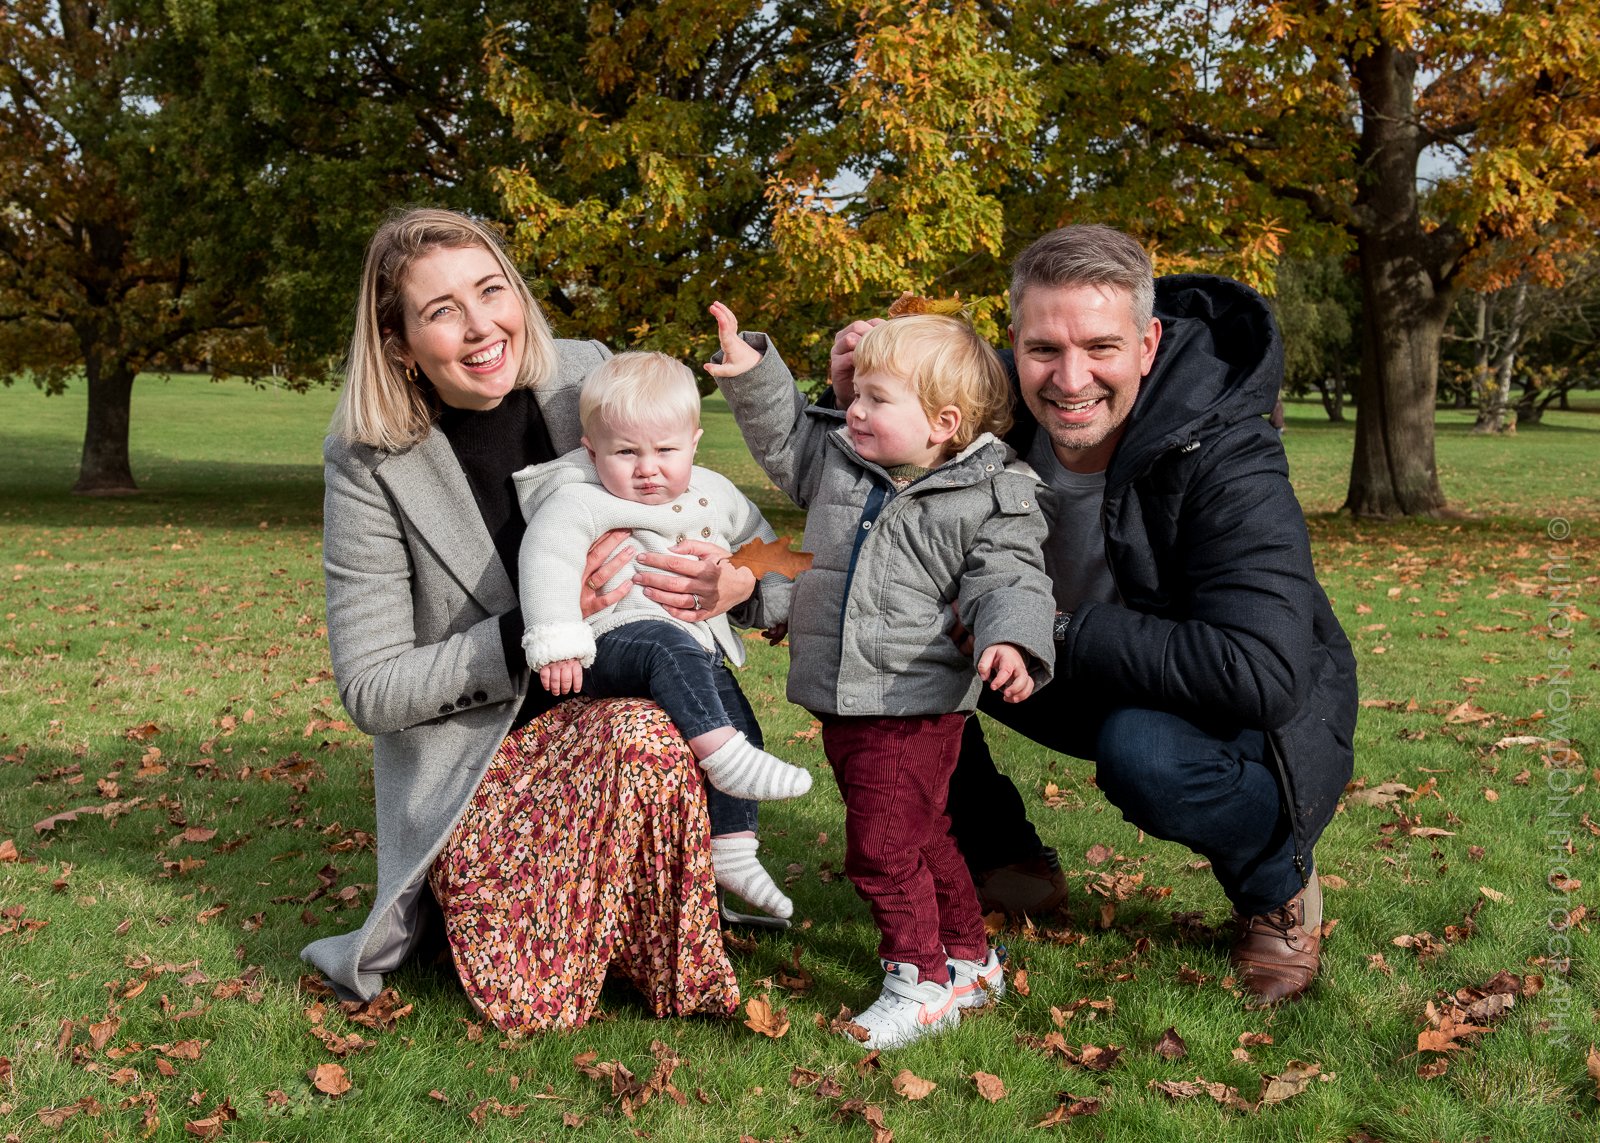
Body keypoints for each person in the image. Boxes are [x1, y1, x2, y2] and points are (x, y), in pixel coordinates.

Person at [831, 224, 1358, 1005]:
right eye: (1044, 349)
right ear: (1014, 340)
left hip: (1223, 699)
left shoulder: (1227, 451)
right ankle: (1010, 858)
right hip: (1065, 667)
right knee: (886, 659)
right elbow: (861, 484)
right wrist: (859, 395)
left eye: (1101, 349)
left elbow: (1263, 672)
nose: (1070, 379)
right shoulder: (984, 415)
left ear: (1148, 343)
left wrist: (1054, 630)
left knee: (1145, 752)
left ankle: (1275, 887)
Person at [301, 207, 780, 1032]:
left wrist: (737, 584)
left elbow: (724, 522)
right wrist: (536, 624)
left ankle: (668, 929)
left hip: (634, 721)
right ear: (398, 343)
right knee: (533, 1005)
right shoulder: (367, 463)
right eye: (442, 310)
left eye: (492, 291)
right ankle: (515, 903)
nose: (482, 326)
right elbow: (372, 689)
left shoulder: (587, 376)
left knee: (640, 727)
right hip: (489, 760)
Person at [707, 303, 1056, 1048]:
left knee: (884, 848)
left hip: (910, 701)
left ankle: (919, 976)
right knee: (925, 831)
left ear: (942, 423)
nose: (850, 409)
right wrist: (754, 370)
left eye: (873, 398)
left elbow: (1013, 580)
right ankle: (968, 955)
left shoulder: (992, 494)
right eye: (852, 392)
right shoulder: (842, 461)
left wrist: (1014, 642)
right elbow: (785, 437)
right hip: (847, 697)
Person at [514, 350, 812, 920]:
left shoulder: (717, 493)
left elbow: (761, 545)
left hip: (695, 648)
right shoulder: (579, 500)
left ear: (694, 443)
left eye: (665, 451)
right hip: (612, 640)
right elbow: (546, 559)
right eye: (626, 452)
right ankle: (721, 758)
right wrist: (555, 640)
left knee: (741, 721)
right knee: (663, 644)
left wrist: (738, 569)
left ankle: (733, 850)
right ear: (591, 450)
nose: (648, 468)